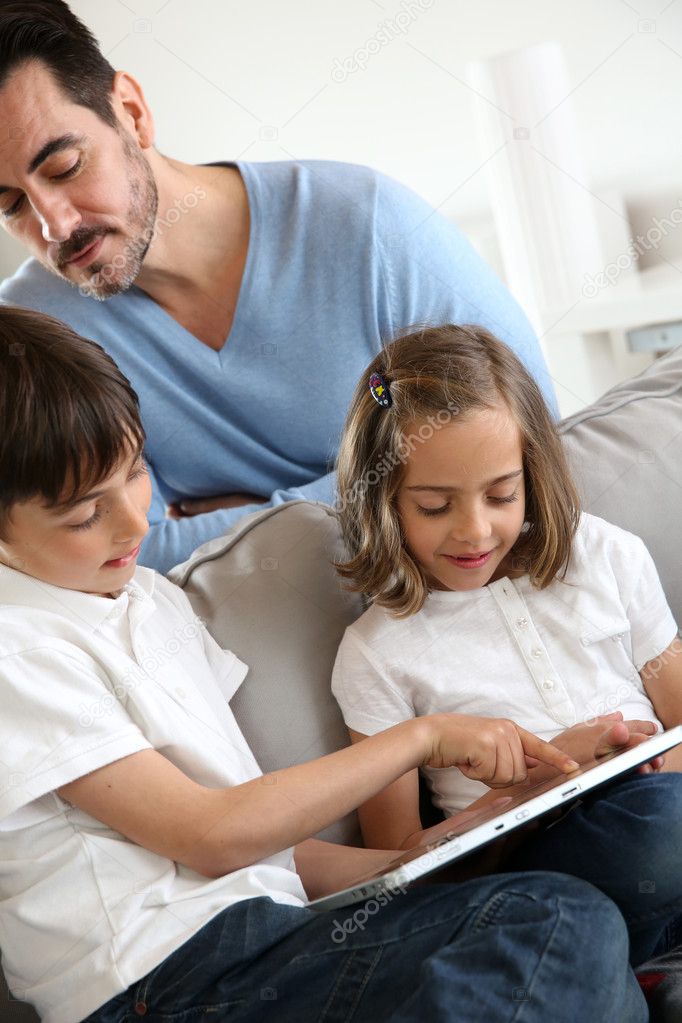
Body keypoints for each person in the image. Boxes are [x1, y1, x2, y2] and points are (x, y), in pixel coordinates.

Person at [0, 308, 662, 1023]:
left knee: (554, 916)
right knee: (555, 926)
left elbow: (280, 852)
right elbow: (213, 834)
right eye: (83, 513)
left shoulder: (146, 599)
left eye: (134, 474)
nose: (135, 523)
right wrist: (424, 736)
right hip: (160, 983)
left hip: (274, 943)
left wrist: (503, 813)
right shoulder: (18, 643)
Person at [0, 0, 558, 575]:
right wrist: (381, 485)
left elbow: (531, 447)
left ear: (133, 113)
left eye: (65, 166)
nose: (54, 227)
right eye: (11, 204)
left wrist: (254, 522)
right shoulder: (33, 331)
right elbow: (119, 556)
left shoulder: (364, 226)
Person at [330, 322, 682, 985]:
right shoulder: (375, 653)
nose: (474, 529)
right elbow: (402, 866)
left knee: (664, 814)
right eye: (435, 505)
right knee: (661, 832)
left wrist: (652, 759)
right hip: (538, 862)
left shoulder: (604, 555)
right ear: (381, 500)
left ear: (533, 473)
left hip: (660, 800)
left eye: (500, 494)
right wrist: (539, 785)